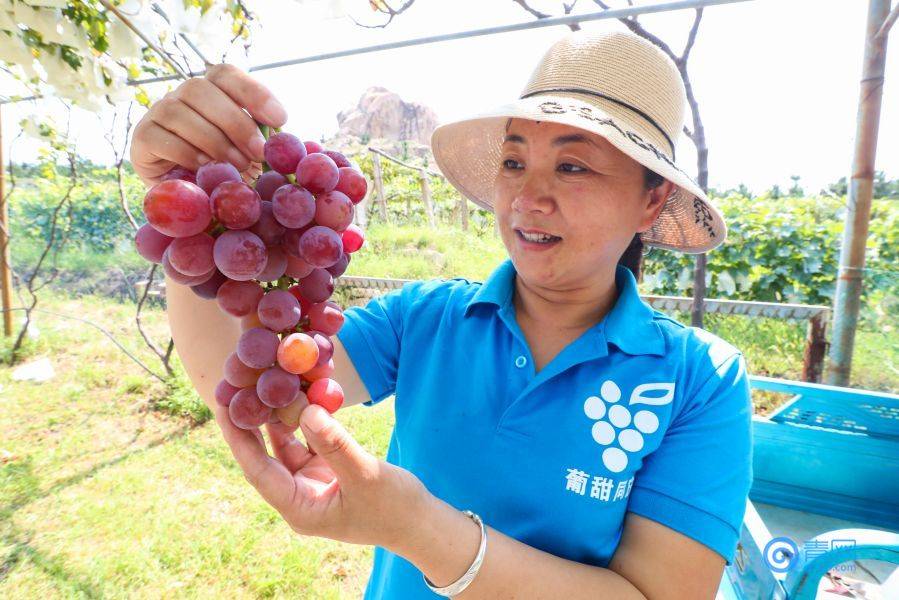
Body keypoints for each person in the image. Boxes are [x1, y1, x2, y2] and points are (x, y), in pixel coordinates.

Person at [132, 29, 752, 600]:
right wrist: (187, 205)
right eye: (514, 162)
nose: (527, 197)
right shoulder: (426, 318)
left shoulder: (699, 380)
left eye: (572, 165)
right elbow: (254, 382)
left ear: (651, 201)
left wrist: (421, 531)